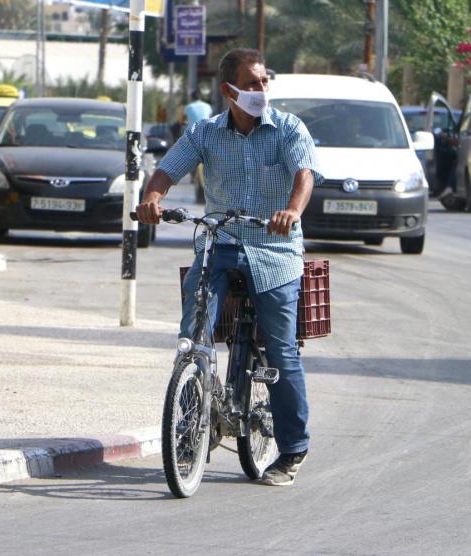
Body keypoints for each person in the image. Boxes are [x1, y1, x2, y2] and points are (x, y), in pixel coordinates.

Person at [135, 47, 322, 487]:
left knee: (281, 349)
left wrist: (292, 212)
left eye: (264, 81)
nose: (261, 89)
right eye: (252, 83)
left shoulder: (288, 128)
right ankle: (191, 421)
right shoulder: (204, 133)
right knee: (193, 337)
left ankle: (292, 449)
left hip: (275, 251)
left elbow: (305, 174)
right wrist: (153, 198)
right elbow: (166, 171)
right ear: (229, 90)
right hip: (220, 243)